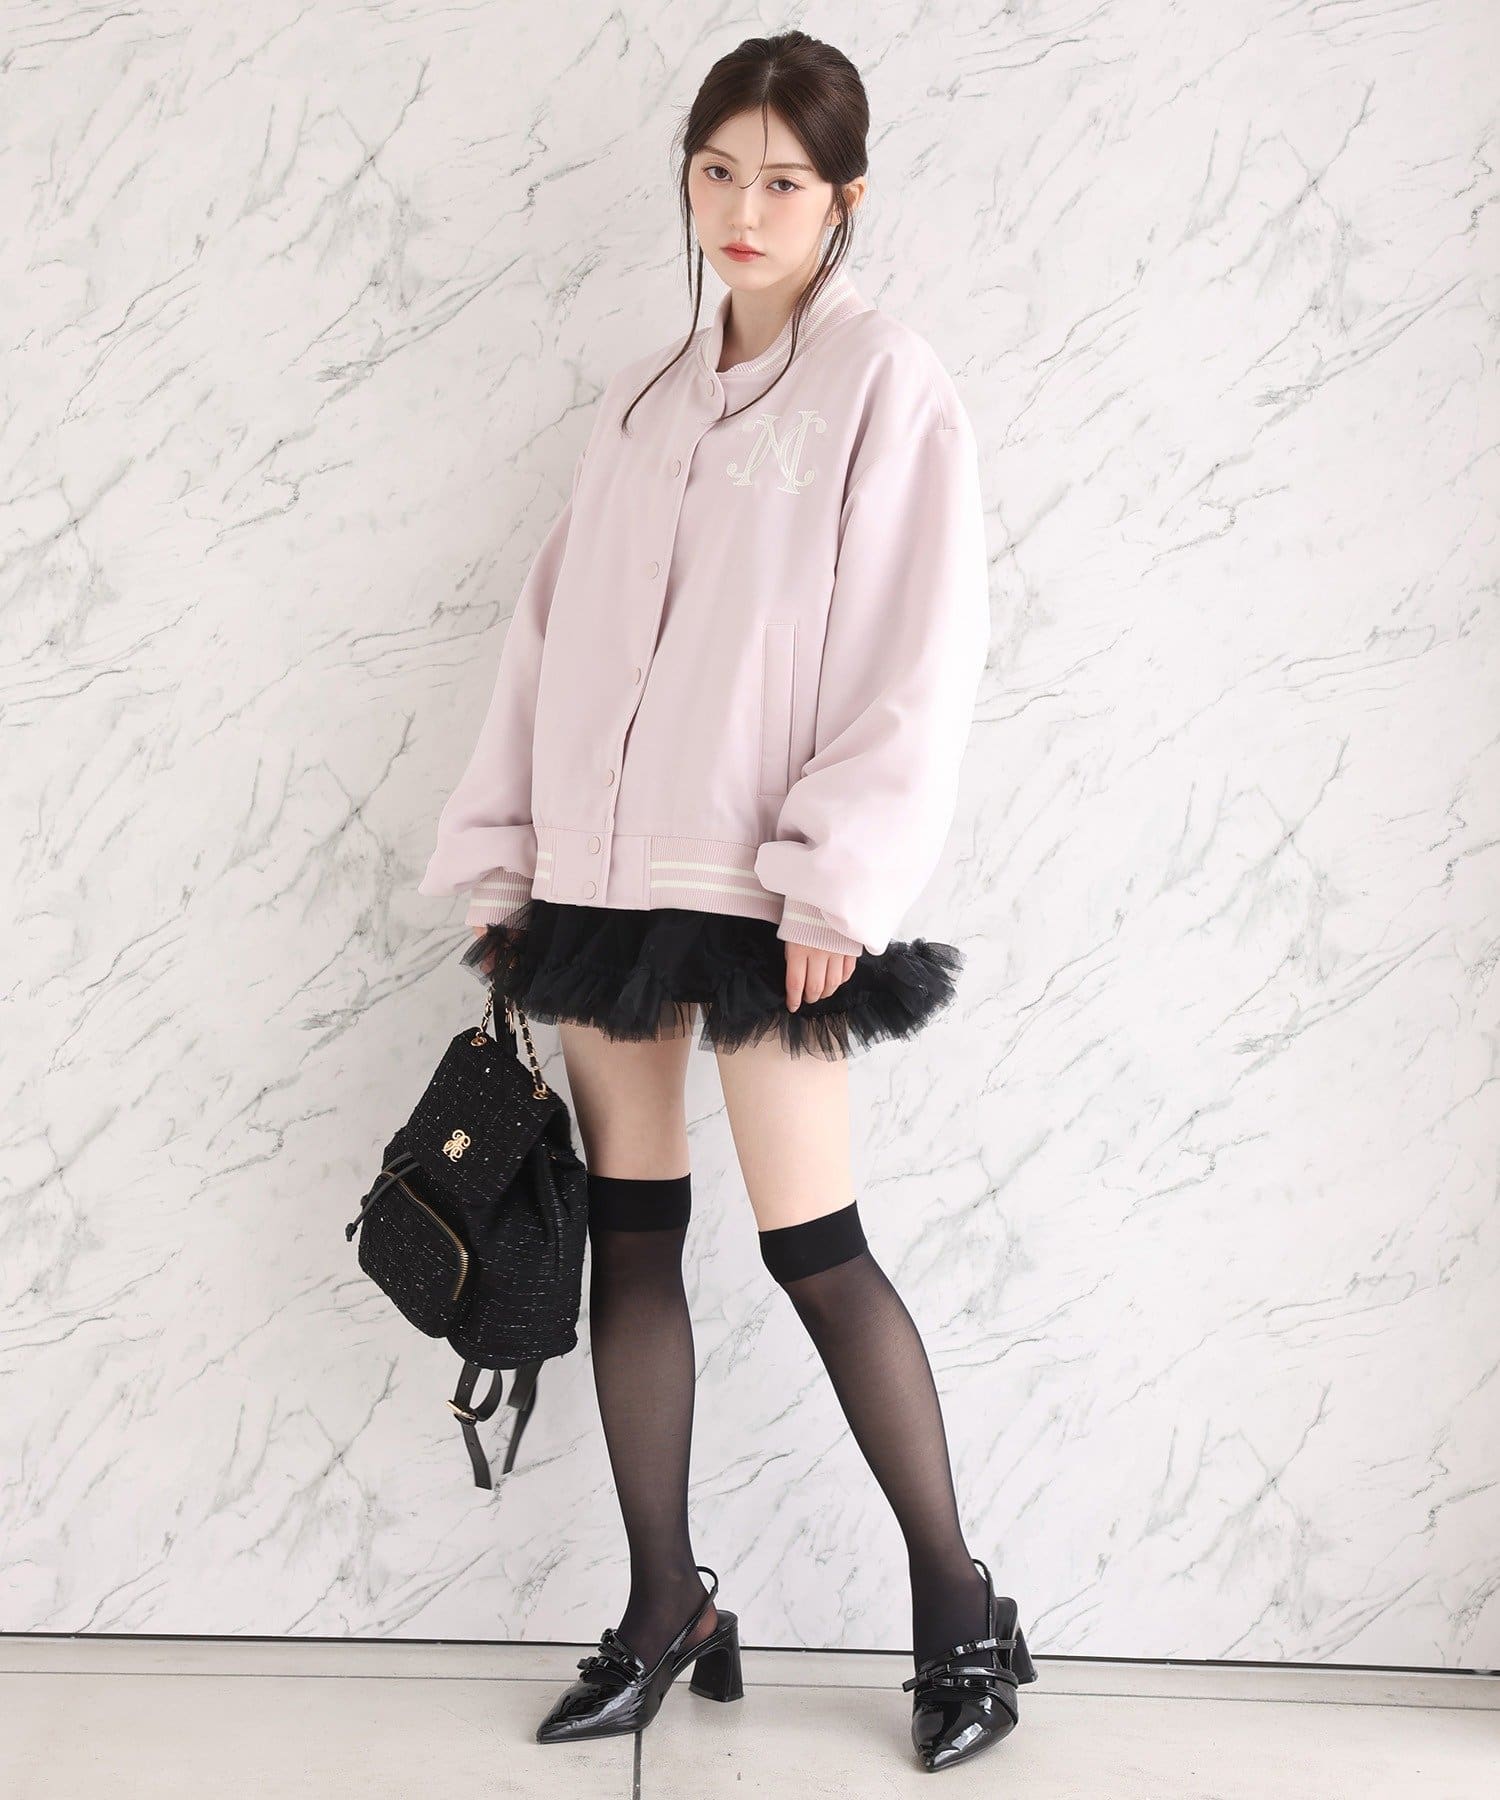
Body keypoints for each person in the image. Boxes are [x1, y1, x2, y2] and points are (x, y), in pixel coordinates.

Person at [417, 30, 1038, 1776]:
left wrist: (841, 876)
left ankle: (959, 1605)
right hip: (606, 883)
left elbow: (920, 643)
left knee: (814, 1247)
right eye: (716, 171)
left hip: (773, 895)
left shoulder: (883, 382)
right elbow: (548, 644)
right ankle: (663, 1605)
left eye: (781, 179)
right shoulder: (641, 401)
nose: (742, 208)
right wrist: (511, 860)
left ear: (845, 198)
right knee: (631, 1234)